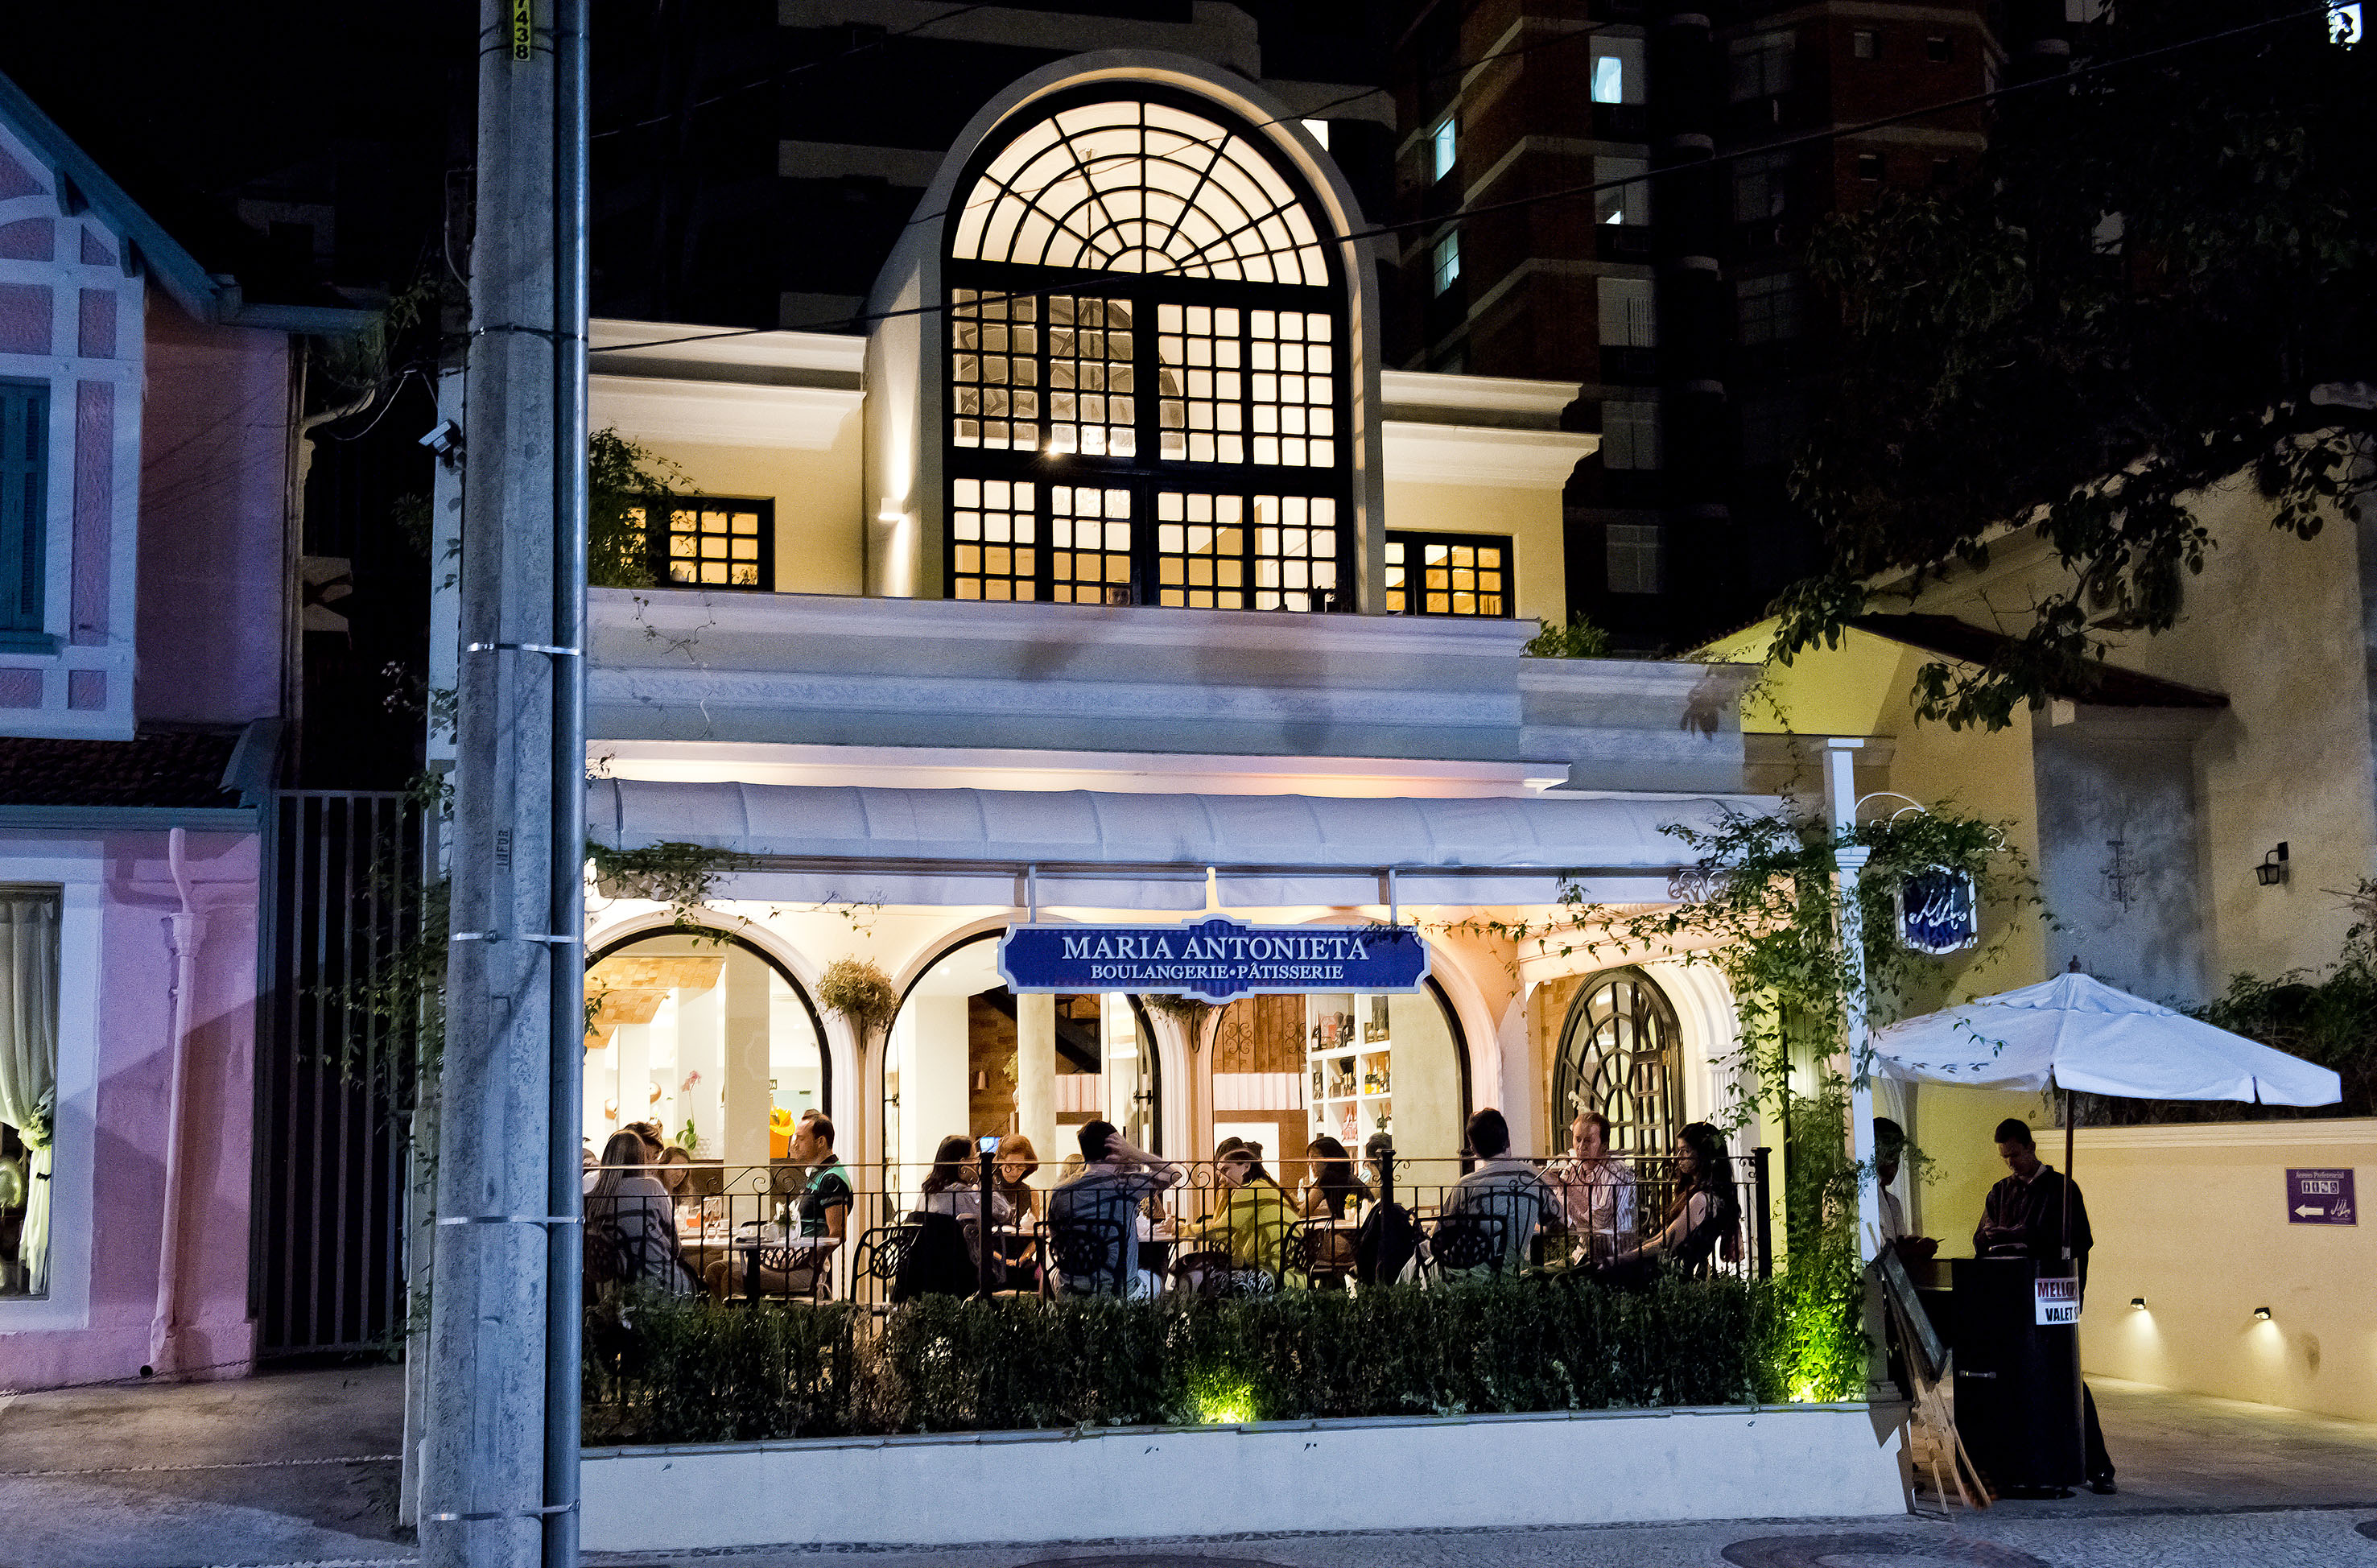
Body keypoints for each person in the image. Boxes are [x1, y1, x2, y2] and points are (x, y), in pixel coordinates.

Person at [1975, 1117, 2115, 1493]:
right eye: (2004, 1157)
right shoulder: (2000, 1192)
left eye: (2015, 1155)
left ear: (2031, 1148)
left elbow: (2077, 1244)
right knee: (2019, 1380)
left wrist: (2029, 1237)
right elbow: (1981, 1240)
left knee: (2066, 1378)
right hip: (2011, 1300)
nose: (2010, 1163)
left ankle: (2097, 1467)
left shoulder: (2062, 1190)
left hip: (2052, 1296)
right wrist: (1994, 1237)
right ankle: (2026, 1464)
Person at [704, 1109, 849, 1300]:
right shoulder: (818, 1174)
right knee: (715, 1270)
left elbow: (838, 1234)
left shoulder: (832, 1179)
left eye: (800, 1139)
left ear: (821, 1142)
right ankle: (728, 1325)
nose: (794, 1144)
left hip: (802, 1270)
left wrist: (808, 1259)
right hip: (785, 1261)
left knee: (733, 1277)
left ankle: (744, 1326)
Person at [1045, 1119, 1180, 1296]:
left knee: (1053, 1272)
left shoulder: (1060, 1192)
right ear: (1115, 1149)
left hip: (1073, 1289)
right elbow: (1174, 1173)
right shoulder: (1128, 1187)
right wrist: (1134, 1152)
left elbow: (1057, 1240)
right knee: (1155, 1279)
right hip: (1120, 1290)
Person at [1612, 1121, 1740, 1277]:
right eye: (1678, 1150)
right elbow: (1663, 1236)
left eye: (1685, 1151)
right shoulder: (1704, 1192)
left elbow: (1665, 1243)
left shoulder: (1702, 1199)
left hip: (1671, 1275)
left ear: (1702, 1155)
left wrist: (1618, 1260)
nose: (1678, 1157)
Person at [1437, 1108, 1557, 1273]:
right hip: (1509, 1275)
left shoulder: (1466, 1185)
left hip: (1463, 1276)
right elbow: (1558, 1222)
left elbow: (1440, 1237)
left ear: (1474, 1150)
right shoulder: (1532, 1178)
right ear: (1507, 1141)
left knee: (1417, 1261)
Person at [584, 1129, 694, 1295]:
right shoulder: (651, 1187)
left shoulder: (593, 1197)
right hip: (659, 1283)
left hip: (612, 1290)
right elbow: (675, 1246)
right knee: (697, 1287)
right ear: (640, 1159)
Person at [1197, 1137, 1298, 1283]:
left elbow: (1221, 1229)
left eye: (1226, 1170)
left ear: (1246, 1166)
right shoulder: (1265, 1184)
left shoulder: (1249, 1190)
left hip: (1273, 1273)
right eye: (1219, 1173)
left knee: (1206, 1279)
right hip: (1289, 1271)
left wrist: (1178, 1229)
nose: (1221, 1180)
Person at [1545, 1109, 1638, 1264]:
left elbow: (1601, 1222)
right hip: (1582, 1255)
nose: (1581, 1147)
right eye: (1578, 1139)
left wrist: (1566, 1188)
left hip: (1617, 1257)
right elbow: (1560, 1218)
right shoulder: (1571, 1170)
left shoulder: (1619, 1172)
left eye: (1588, 1140)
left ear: (1604, 1144)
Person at [1873, 1117, 1937, 1263]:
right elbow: (1879, 1254)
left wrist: (1911, 1244)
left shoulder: (1893, 1202)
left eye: (1897, 1156)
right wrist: (1914, 1250)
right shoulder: (1865, 1197)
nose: (1895, 1165)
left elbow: (1895, 1245)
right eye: (1890, 1155)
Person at [1300, 1135, 1372, 1221]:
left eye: (1314, 1158)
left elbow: (1304, 1211)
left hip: (1352, 1230)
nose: (1309, 1163)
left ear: (1328, 1159)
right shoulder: (1342, 1175)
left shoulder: (1328, 1177)